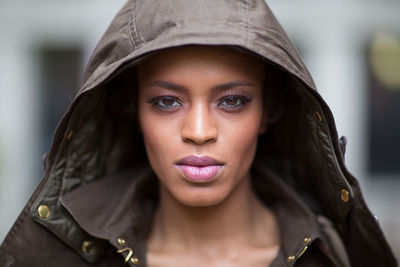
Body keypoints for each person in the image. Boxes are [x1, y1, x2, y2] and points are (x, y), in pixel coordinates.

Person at [0, 0, 397, 266]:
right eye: (167, 102)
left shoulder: (331, 256)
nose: (200, 132)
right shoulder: (58, 254)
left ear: (268, 110)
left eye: (232, 101)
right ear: (133, 110)